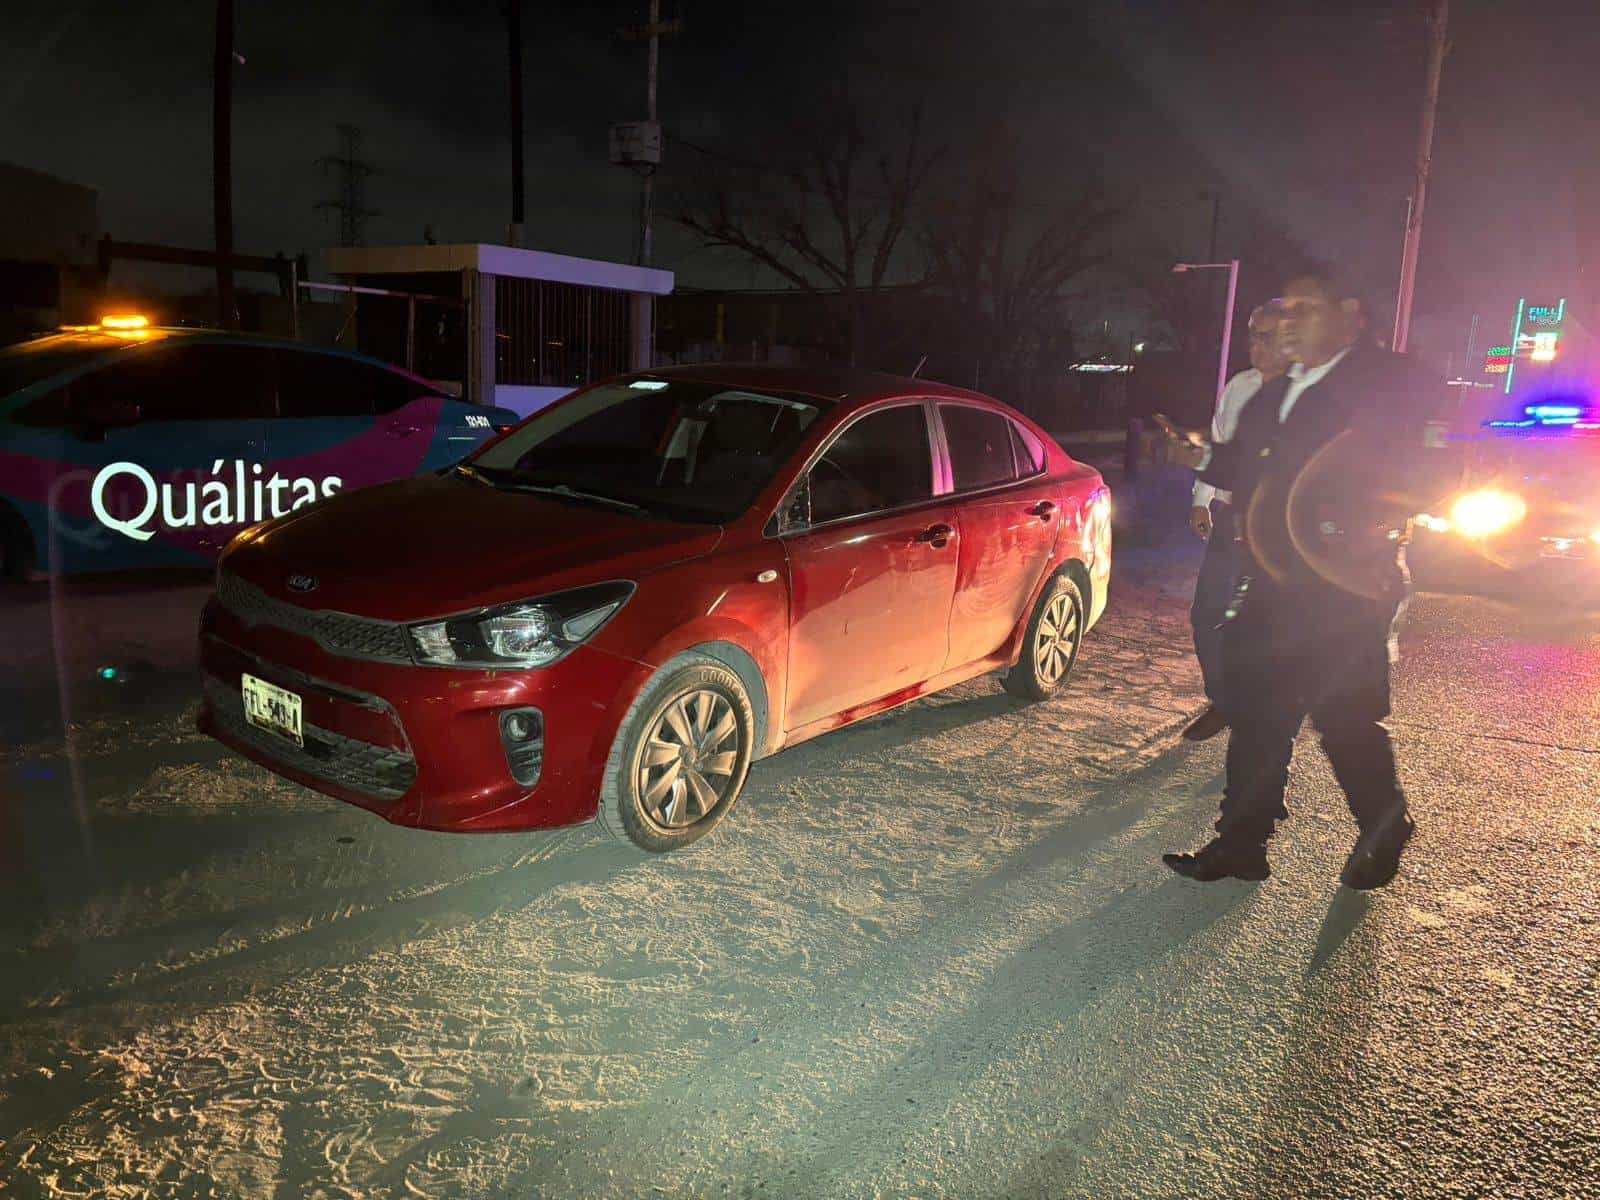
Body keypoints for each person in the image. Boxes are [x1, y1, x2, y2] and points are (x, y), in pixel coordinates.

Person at [1157, 265, 1446, 890]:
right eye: (1286, 310)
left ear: (1350, 315)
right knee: (1257, 709)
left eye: (1305, 310)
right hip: (1274, 578)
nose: (1289, 323)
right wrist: (1200, 456)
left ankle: (1385, 823)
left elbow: (1425, 472)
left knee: (1343, 717)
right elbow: (1247, 465)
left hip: (1345, 582)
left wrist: (1358, 518)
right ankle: (1242, 844)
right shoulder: (1274, 391)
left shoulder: (1391, 382)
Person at [1182, 303, 1290, 742]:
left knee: (1271, 628)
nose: (1257, 346)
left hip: (1281, 529)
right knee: (1207, 615)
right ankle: (1224, 701)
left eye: (1269, 337)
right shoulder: (1239, 387)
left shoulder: (1308, 396)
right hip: (1230, 521)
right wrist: (1201, 498)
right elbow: (1218, 445)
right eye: (1253, 335)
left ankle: (1267, 725)